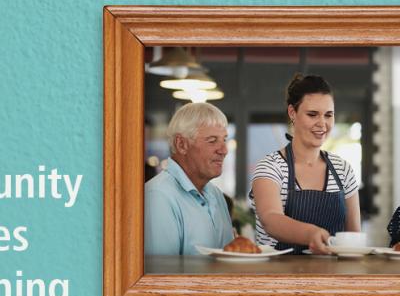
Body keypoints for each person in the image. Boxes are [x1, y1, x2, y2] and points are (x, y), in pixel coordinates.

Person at [250, 74, 361, 255]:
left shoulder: (343, 170)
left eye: (328, 115)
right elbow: (270, 219)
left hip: (333, 278)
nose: (322, 124)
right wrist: (311, 234)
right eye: (312, 114)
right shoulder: (270, 167)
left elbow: (353, 237)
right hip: (278, 278)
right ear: (292, 113)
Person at [145, 102, 234, 255]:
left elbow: (229, 260)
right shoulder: (157, 196)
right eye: (212, 141)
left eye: (224, 139)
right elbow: (162, 275)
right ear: (181, 144)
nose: (224, 150)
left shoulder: (217, 195)